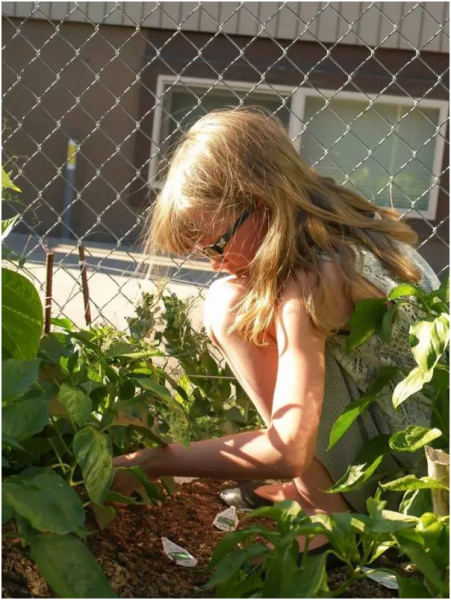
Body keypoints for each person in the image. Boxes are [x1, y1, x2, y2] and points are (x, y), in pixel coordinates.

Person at [112, 107, 440, 552]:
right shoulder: (350, 234)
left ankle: (326, 518)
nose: (216, 264)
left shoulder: (313, 281)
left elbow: (288, 450)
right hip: (429, 460)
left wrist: (152, 462)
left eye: (216, 245)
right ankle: (323, 494)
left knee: (229, 304)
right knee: (239, 294)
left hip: (416, 488)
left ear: (260, 204)